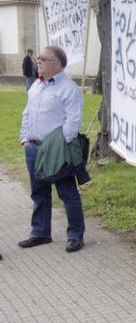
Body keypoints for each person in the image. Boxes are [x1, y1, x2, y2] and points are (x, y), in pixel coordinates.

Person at [18, 46, 86, 253]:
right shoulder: (36, 87)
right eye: (39, 58)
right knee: (39, 193)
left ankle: (75, 235)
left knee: (67, 192)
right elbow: (27, 114)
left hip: (57, 151)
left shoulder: (69, 89)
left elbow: (73, 122)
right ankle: (40, 232)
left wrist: (56, 146)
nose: (38, 61)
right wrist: (25, 139)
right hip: (33, 148)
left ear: (57, 64)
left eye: (43, 59)